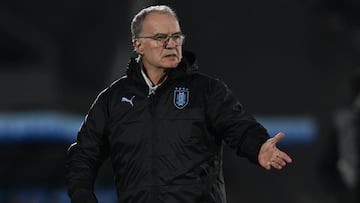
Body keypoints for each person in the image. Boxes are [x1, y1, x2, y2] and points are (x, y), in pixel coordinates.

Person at [65, 5, 293, 203]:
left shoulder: (207, 91)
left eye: (176, 36)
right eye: (160, 38)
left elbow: (239, 126)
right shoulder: (113, 99)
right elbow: (84, 154)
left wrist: (259, 146)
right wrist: (82, 195)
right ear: (138, 45)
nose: (171, 44)